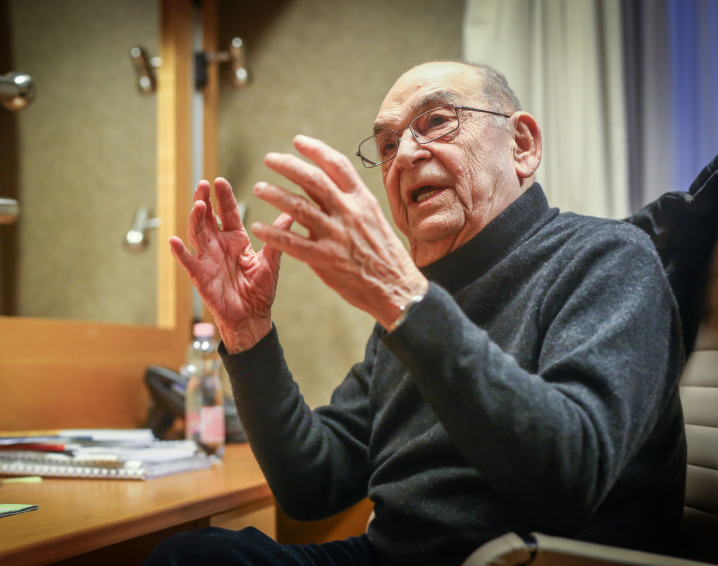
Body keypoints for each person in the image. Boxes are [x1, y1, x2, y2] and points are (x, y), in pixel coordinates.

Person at [146, 61, 685, 566]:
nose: (404, 154)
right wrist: (247, 332)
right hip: (390, 555)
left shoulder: (609, 258)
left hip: (525, 561)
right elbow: (312, 483)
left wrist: (403, 299)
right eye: (387, 143)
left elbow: (569, 477)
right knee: (192, 556)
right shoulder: (414, 304)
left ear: (522, 144)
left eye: (437, 121)